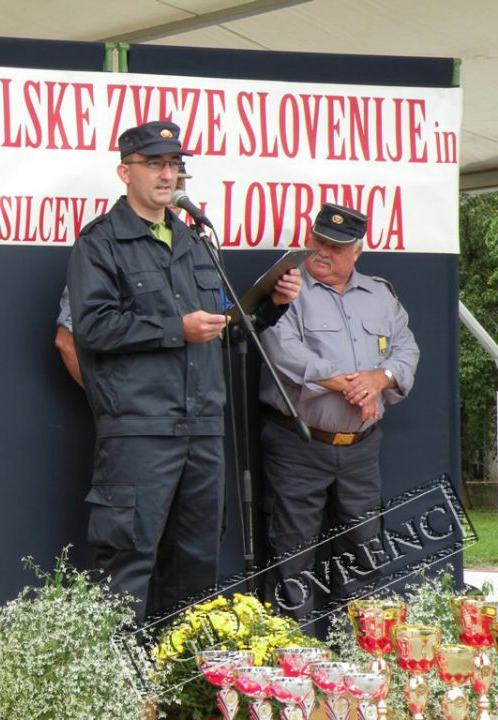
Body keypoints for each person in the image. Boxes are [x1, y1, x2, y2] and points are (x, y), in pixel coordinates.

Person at [67, 120, 300, 621]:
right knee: (127, 564)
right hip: (140, 430)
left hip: (203, 431)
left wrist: (270, 307)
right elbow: (94, 328)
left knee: (196, 564)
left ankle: (180, 689)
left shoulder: (195, 241)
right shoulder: (101, 241)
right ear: (124, 171)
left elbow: (224, 330)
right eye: (155, 164)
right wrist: (177, 328)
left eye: (174, 165)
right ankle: (123, 693)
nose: (167, 174)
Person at [258, 202, 419, 620]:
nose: (322, 252)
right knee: (292, 558)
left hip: (361, 448)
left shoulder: (381, 294)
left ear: (358, 250)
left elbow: (407, 349)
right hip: (299, 443)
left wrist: (379, 379)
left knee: (365, 551)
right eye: (318, 241)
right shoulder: (287, 290)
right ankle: (296, 665)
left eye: (336, 246)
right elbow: (280, 350)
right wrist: (353, 384)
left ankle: (357, 659)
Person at [55, 160, 194, 389]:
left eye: (178, 184)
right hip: (135, 414)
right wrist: (111, 403)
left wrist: (269, 305)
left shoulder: (198, 246)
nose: (170, 191)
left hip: (193, 411)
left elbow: (224, 324)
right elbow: (67, 340)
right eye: (161, 180)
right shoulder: (105, 245)